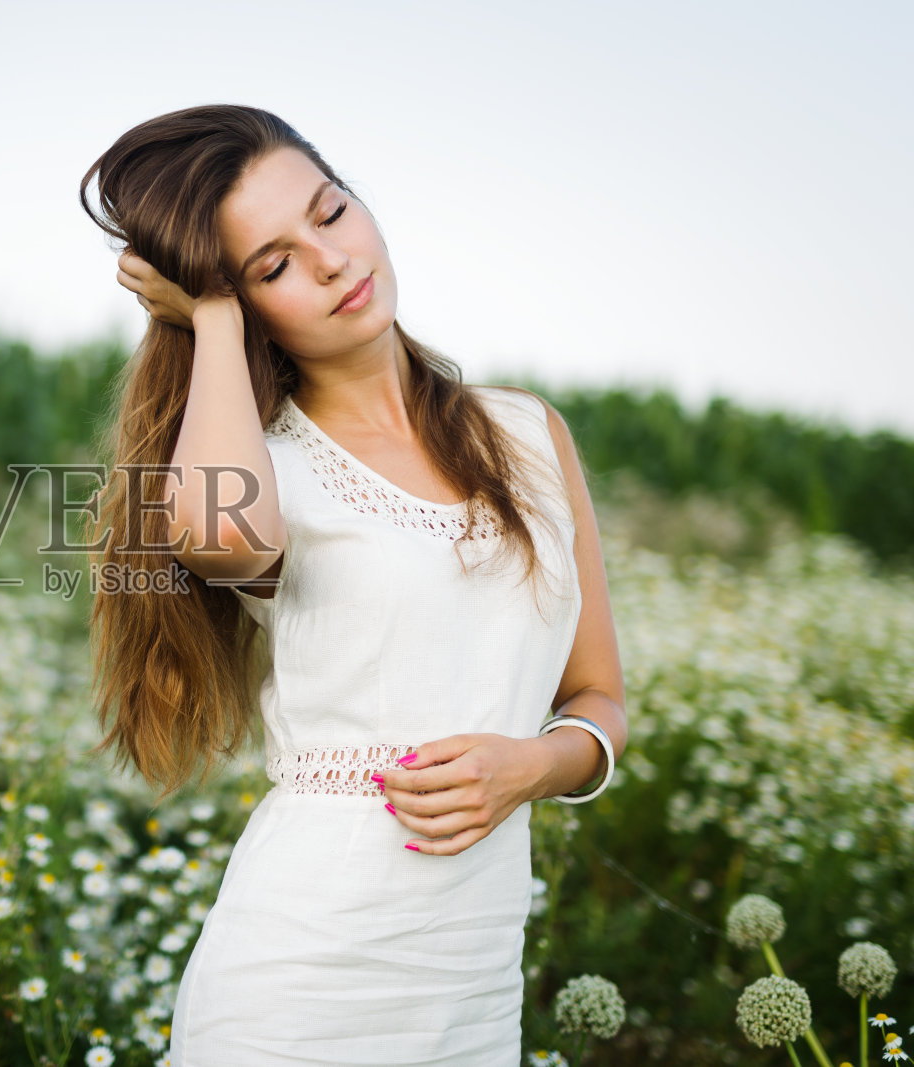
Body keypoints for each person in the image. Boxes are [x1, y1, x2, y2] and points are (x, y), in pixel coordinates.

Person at [77, 104, 629, 1066]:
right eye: (272, 266)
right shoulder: (265, 464)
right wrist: (209, 313)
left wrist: (533, 767)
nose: (330, 261)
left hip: (471, 992)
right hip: (294, 985)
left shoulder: (532, 435)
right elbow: (218, 537)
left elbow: (598, 698)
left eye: (330, 213)